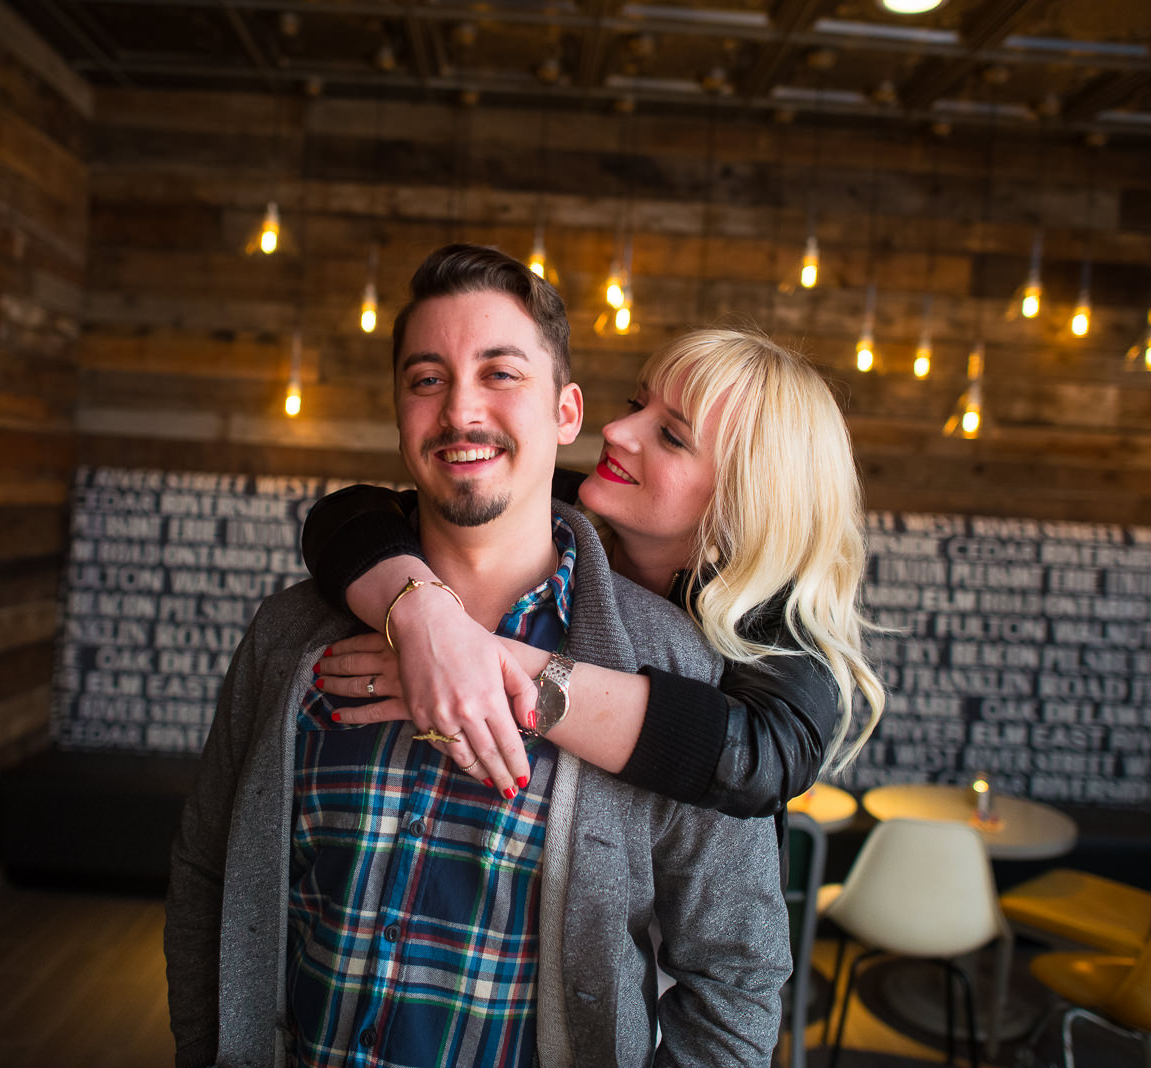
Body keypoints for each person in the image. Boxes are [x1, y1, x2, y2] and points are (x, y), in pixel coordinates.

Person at [165, 244, 788, 1068]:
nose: (460, 412)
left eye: (500, 374)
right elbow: (207, 879)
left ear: (567, 414)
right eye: (427, 379)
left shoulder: (676, 674)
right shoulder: (290, 638)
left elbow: (739, 976)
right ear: (399, 411)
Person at [302, 324, 885, 813]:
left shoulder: (774, 630)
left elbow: (758, 759)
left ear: (744, 499)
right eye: (637, 405)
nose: (615, 431)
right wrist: (424, 616)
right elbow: (351, 515)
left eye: (671, 437)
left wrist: (475, 664)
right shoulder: (564, 510)